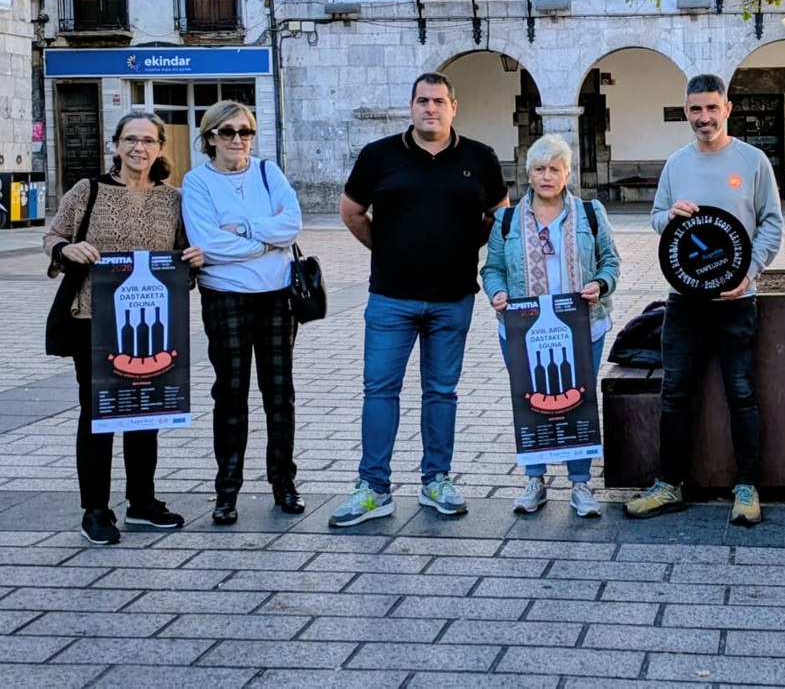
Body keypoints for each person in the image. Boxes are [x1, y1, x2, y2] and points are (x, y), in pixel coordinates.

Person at [331, 72, 508, 527]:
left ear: (454, 107)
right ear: (411, 106)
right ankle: (373, 488)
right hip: (391, 297)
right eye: (422, 101)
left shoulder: (479, 158)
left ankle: (437, 480)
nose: (431, 109)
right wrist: (387, 247)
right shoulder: (380, 156)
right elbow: (351, 211)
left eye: (439, 101)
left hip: (453, 298)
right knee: (380, 390)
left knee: (441, 392)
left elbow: (500, 213)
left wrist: (471, 243)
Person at [625, 74, 784, 526]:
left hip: (736, 302)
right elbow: (657, 218)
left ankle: (748, 488)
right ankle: (668, 484)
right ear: (686, 111)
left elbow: (771, 224)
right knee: (674, 394)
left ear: (727, 109)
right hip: (683, 302)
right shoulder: (677, 164)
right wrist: (668, 217)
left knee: (742, 394)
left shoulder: (752, 161)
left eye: (712, 108)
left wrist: (749, 272)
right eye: (695, 110)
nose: (704, 118)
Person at [44, 111, 204, 545]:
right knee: (97, 414)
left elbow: (182, 252)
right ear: (116, 145)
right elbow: (53, 236)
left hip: (151, 323)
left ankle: (142, 502)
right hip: (92, 319)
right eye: (130, 140)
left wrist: (192, 259)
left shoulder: (172, 199)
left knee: (144, 412)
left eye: (148, 141)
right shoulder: (88, 190)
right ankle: (95, 509)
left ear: (159, 148)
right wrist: (68, 248)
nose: (139, 148)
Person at [181, 101, 306, 525]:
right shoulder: (196, 183)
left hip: (276, 296)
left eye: (246, 132)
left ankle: (283, 483)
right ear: (210, 137)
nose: (238, 140)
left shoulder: (270, 174)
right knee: (230, 394)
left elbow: (291, 225)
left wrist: (243, 229)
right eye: (227, 132)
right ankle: (227, 489)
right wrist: (265, 242)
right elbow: (207, 243)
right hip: (225, 297)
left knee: (279, 394)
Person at [482, 134, 620, 518]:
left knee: (579, 398)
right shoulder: (507, 219)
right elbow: (491, 268)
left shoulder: (590, 213)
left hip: (583, 325)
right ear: (528, 174)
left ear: (567, 173)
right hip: (523, 327)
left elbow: (611, 261)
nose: (547, 176)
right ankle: (534, 479)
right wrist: (496, 292)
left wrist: (600, 284)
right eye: (540, 169)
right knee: (530, 399)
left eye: (555, 169)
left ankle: (580, 483)